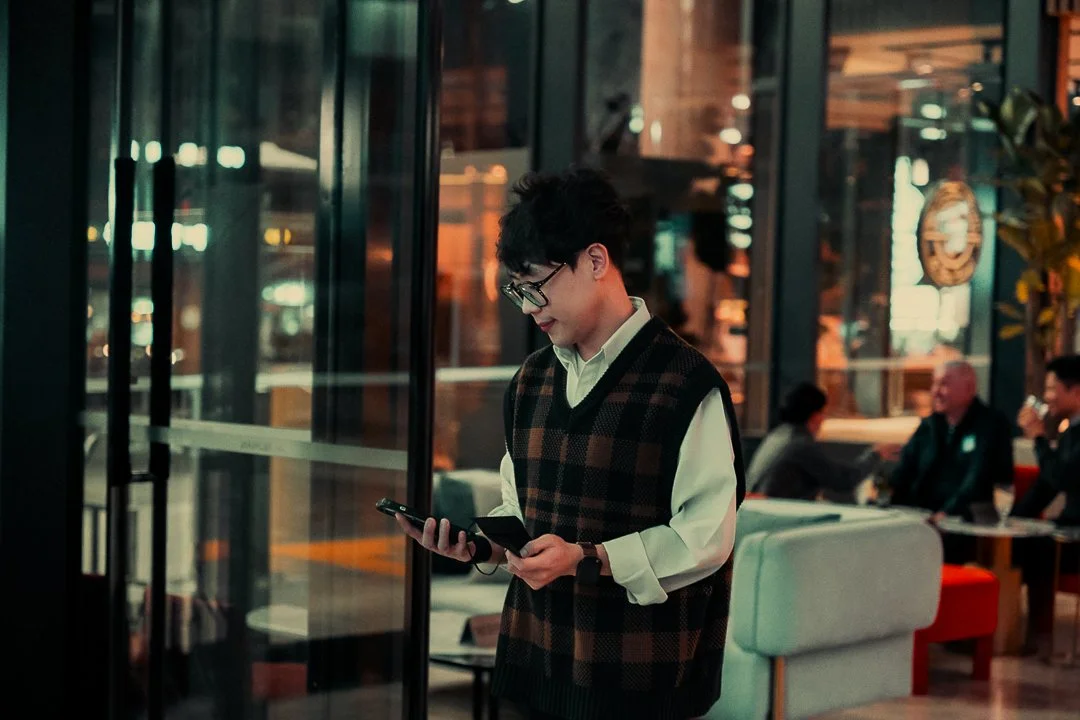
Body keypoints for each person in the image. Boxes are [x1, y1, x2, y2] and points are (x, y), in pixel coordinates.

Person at [396, 167, 745, 720]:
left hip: (636, 684)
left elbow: (704, 538)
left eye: (537, 285)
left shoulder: (684, 383)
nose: (529, 305)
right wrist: (481, 546)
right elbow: (523, 509)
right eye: (517, 290)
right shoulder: (532, 380)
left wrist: (587, 559)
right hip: (532, 666)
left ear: (596, 261)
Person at [890, 360, 1014, 524]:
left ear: (969, 388)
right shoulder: (930, 425)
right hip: (920, 519)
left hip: (968, 522)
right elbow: (903, 472)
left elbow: (977, 480)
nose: (935, 392)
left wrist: (945, 514)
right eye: (934, 384)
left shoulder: (991, 425)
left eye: (944, 384)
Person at [1012, 354, 1080, 653]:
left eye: (1053, 389)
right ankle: (1003, 630)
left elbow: (1062, 478)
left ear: (1076, 390)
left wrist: (1038, 438)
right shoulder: (1071, 429)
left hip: (1076, 534)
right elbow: (1047, 485)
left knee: (1037, 549)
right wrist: (1014, 520)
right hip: (1068, 527)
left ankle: (1038, 637)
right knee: (1017, 543)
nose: (1047, 397)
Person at [747, 382, 899, 503]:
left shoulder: (778, 435)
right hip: (778, 515)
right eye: (823, 413)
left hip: (763, 509)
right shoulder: (801, 446)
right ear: (815, 416)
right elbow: (843, 480)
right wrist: (876, 454)